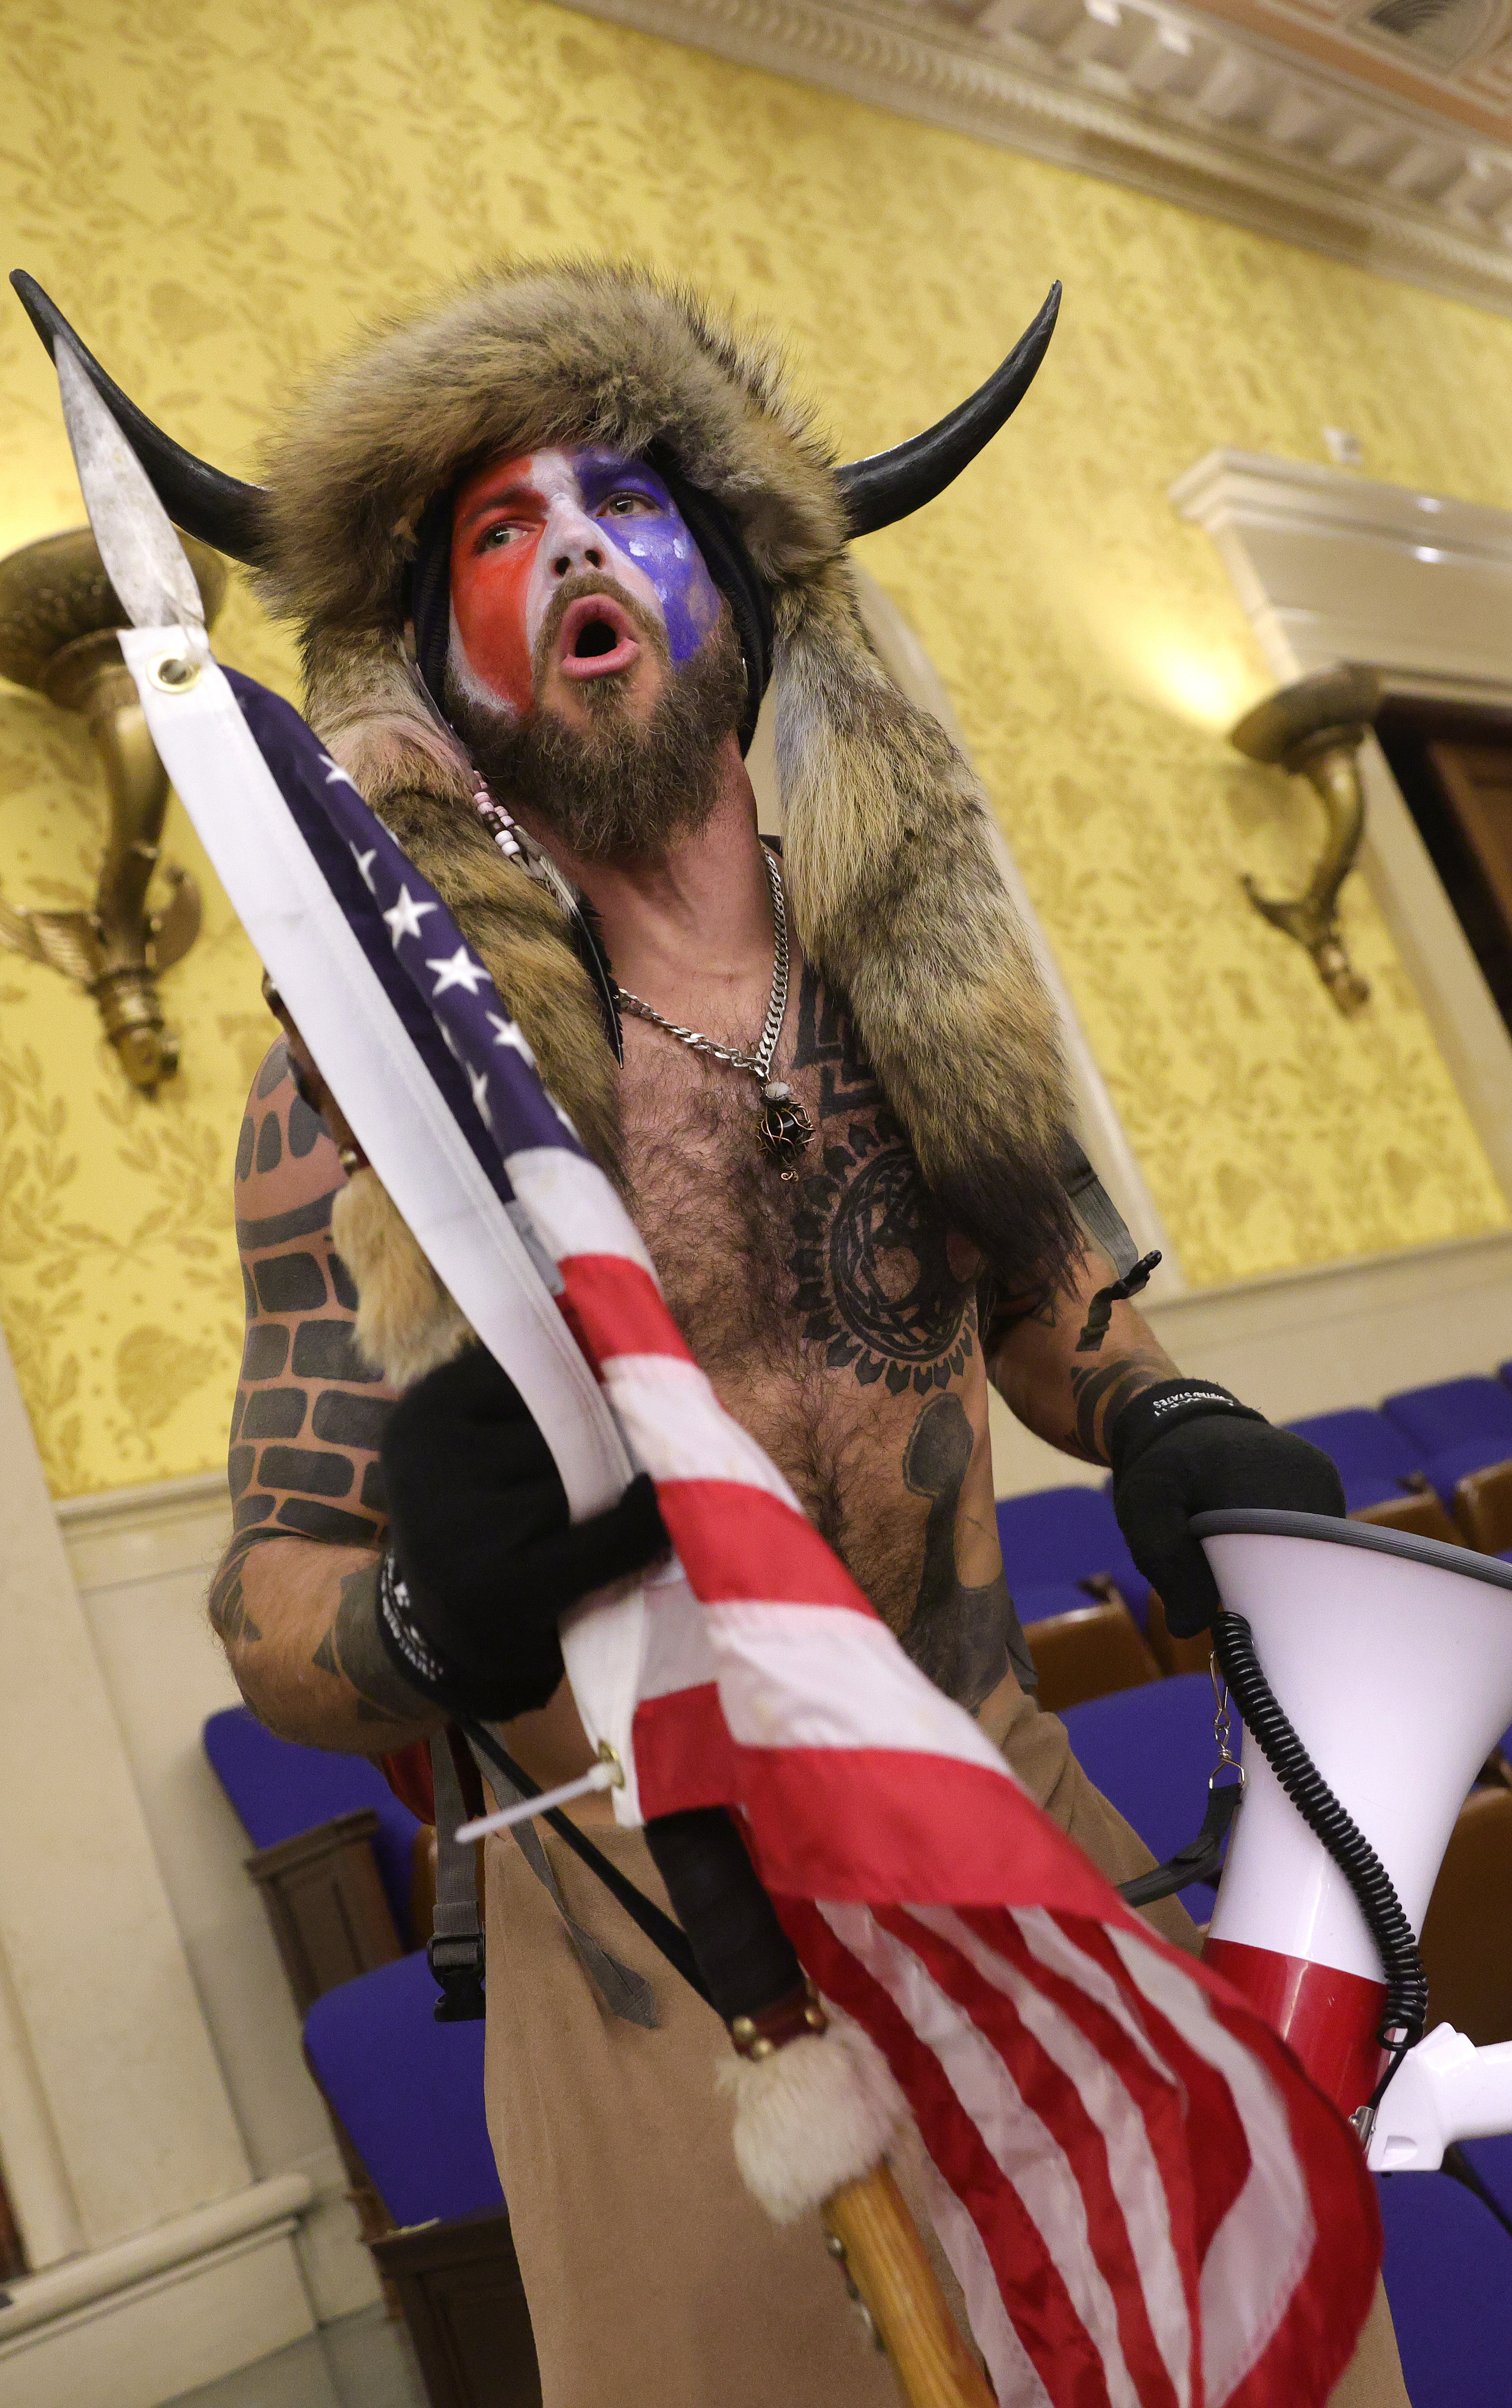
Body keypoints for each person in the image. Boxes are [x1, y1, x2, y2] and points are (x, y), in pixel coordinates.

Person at [184, 264, 1395, 2406]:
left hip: (1011, 1842)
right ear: (436, 656)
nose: (566, 545)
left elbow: (1061, 1312)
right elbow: (267, 1609)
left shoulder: (919, 980)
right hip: (670, 1984)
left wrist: (1175, 1416)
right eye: (495, 527)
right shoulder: (372, 1087)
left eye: (622, 500)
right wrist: (426, 1620)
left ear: (735, 581)